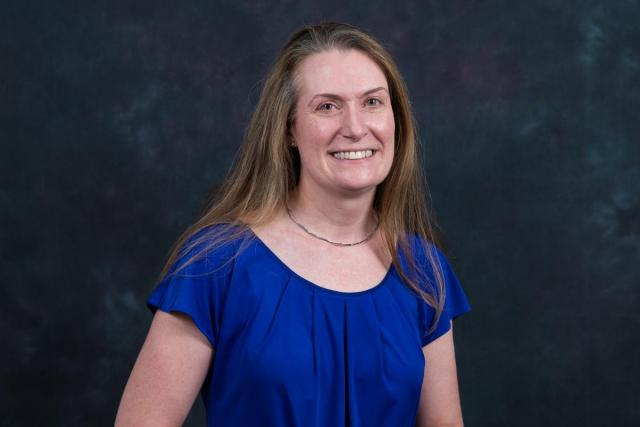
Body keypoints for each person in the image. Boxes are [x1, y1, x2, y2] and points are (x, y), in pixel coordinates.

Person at [115, 22, 471, 427]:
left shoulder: (423, 270)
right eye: (327, 106)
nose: (355, 128)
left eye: (373, 102)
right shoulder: (216, 264)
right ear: (289, 130)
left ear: (396, 119)